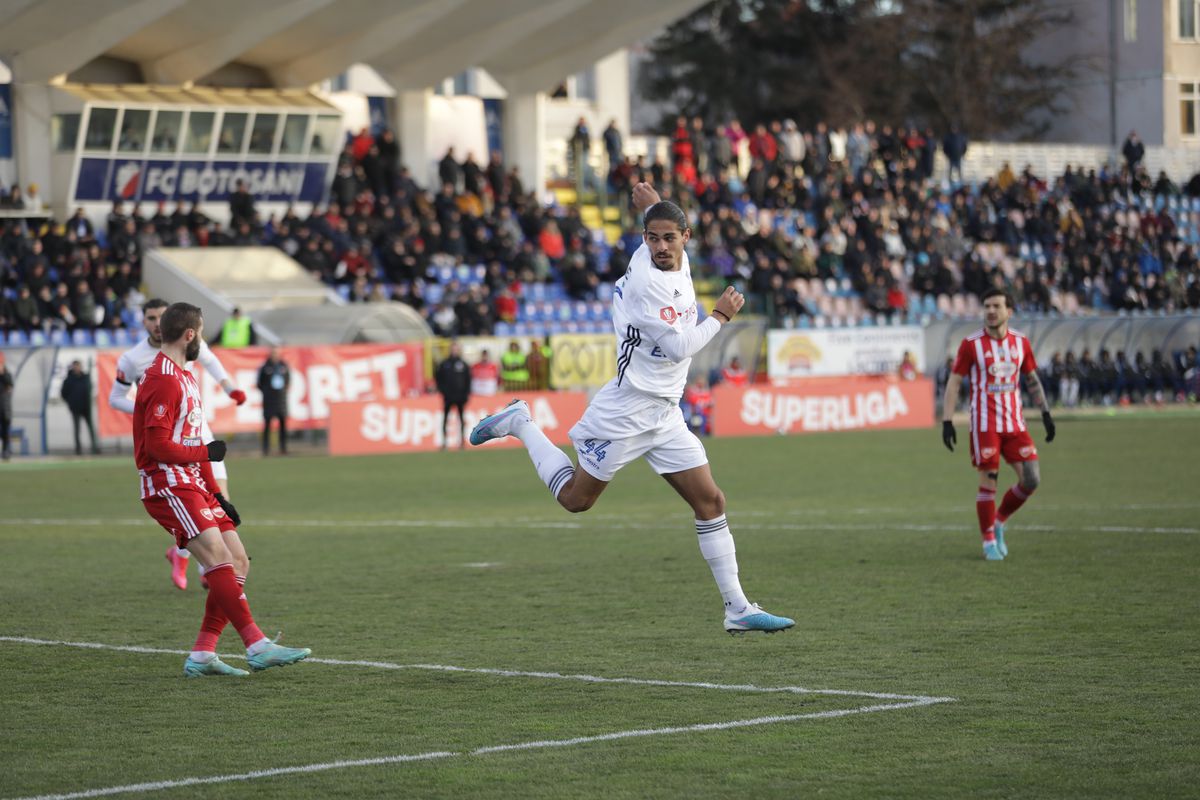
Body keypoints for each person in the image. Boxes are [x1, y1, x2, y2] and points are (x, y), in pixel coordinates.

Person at [469, 183, 793, 635]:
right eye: (652, 238)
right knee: (576, 501)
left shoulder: (668, 260)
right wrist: (718, 316)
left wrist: (652, 205)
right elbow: (681, 347)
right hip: (627, 410)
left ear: (686, 236)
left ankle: (737, 608)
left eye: (668, 237)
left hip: (665, 412)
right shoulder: (646, 283)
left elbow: (661, 225)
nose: (660, 247)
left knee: (710, 500)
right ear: (644, 240)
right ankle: (521, 422)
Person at [133, 302, 310, 677]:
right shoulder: (162, 377)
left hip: (193, 483)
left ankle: (202, 654)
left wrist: (217, 495)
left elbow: (193, 441)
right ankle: (257, 645)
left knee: (238, 560)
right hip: (167, 485)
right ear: (190, 335)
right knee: (218, 560)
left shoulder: (184, 374)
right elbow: (156, 447)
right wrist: (205, 453)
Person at [109, 298, 248, 590]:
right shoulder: (133, 359)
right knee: (192, 505)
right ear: (143, 321)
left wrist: (231, 388)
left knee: (219, 495)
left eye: (162, 316)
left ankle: (200, 560)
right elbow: (116, 398)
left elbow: (211, 361)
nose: (157, 323)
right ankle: (205, 563)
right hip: (167, 443)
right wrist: (148, 412)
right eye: (151, 318)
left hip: (197, 431)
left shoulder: (188, 345)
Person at [940, 288, 1057, 561]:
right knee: (988, 484)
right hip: (985, 425)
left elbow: (1031, 379)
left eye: (996, 306)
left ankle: (1000, 521)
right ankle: (988, 542)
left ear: (1009, 311)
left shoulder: (1021, 343)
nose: (991, 311)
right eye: (987, 306)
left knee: (1031, 479)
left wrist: (1046, 412)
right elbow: (954, 382)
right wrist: (947, 421)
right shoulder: (971, 345)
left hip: (1015, 424)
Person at [435, 341, 471, 450]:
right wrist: (443, 391)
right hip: (448, 397)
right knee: (446, 418)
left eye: (456, 349)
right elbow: (438, 379)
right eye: (453, 348)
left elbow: (468, 381)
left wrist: (466, 394)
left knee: (461, 419)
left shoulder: (463, 364)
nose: (454, 351)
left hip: (460, 397)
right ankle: (445, 442)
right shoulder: (445, 364)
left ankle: (462, 442)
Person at [61, 360, 100, 455]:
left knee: (91, 428)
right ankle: (78, 449)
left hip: (87, 408)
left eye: (78, 366)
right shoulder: (68, 380)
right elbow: (63, 393)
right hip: (75, 408)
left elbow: (90, 389)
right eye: (75, 366)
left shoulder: (86, 378)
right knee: (77, 429)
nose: (77, 368)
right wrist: (71, 403)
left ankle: (95, 447)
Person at [256, 346, 290, 456]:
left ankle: (283, 448)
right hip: (269, 400)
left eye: (277, 353)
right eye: (273, 353)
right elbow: (260, 383)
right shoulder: (265, 367)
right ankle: (266, 449)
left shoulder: (283, 366)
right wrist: (267, 392)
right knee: (267, 424)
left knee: (283, 425)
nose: (275, 355)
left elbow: (288, 380)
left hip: (281, 400)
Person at [0, 352, 13, 460]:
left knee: (5, 432)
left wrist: (2, 373)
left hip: (4, 409)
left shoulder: (7, 374)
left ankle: (6, 451)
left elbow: (9, 384)